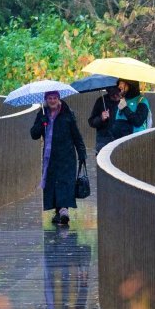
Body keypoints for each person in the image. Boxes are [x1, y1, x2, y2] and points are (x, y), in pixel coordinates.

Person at [30, 89, 86, 226]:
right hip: (50, 157)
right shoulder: (42, 114)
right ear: (46, 100)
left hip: (66, 155)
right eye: (50, 98)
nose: (52, 101)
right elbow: (34, 135)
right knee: (53, 183)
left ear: (59, 99)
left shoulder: (68, 114)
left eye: (55, 98)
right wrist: (40, 123)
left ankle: (64, 210)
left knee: (65, 182)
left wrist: (82, 153)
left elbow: (76, 135)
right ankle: (58, 212)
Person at [88, 84, 133, 154]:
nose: (115, 96)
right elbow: (91, 122)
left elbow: (134, 120)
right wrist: (101, 118)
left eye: (117, 94)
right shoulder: (101, 101)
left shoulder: (127, 101)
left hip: (121, 141)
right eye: (112, 94)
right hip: (103, 142)